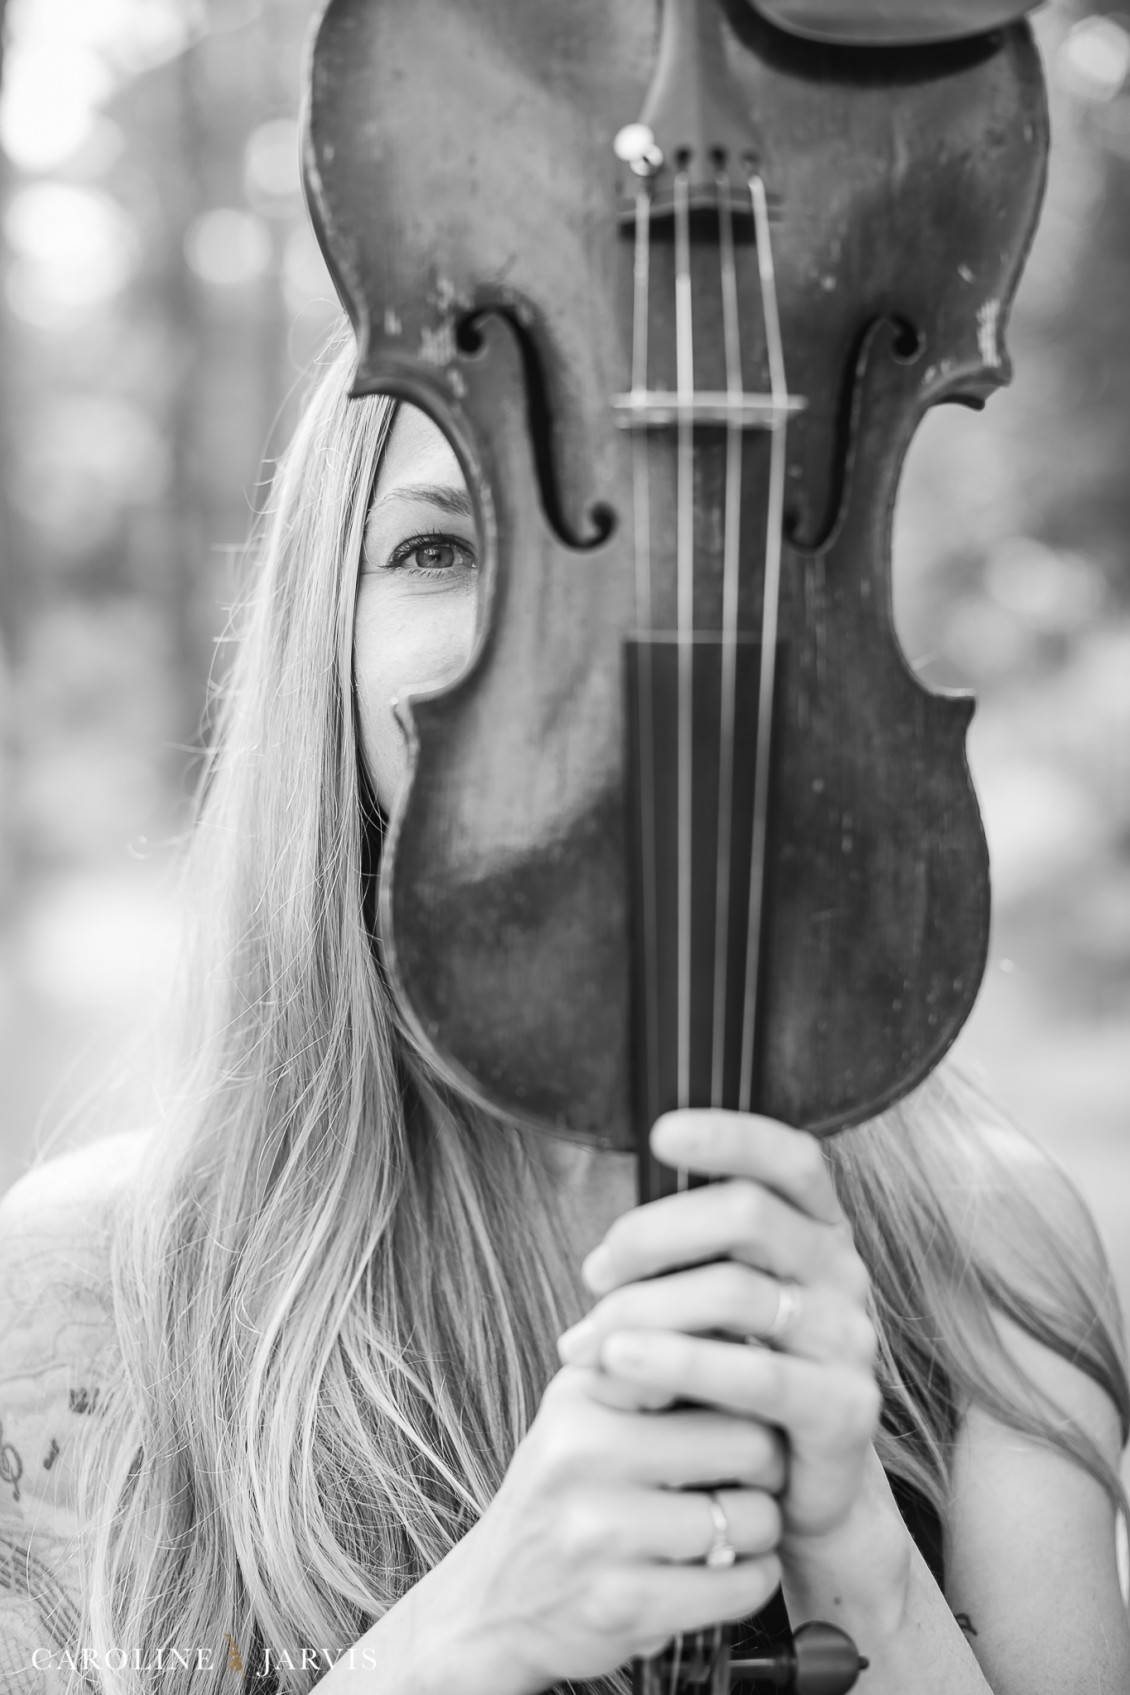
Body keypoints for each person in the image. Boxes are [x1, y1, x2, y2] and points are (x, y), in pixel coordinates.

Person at [0, 335, 1127, 1695]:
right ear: (325, 642)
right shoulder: (77, 1289)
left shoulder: (984, 1249)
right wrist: (463, 1640)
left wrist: (860, 1565)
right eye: (439, 549)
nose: (544, 642)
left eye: (631, 548)